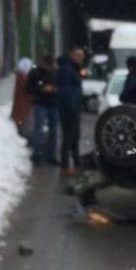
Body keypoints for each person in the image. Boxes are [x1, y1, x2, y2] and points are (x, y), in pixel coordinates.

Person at [57, 46, 85, 176]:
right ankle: (65, 167)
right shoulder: (67, 69)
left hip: (73, 109)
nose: (81, 58)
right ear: (72, 55)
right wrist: (72, 109)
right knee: (68, 139)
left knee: (74, 138)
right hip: (69, 110)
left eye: (82, 56)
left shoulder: (72, 68)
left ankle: (77, 165)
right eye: (78, 55)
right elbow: (66, 91)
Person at [27, 55, 59, 164]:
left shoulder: (55, 72)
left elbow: (61, 85)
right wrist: (41, 89)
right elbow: (29, 88)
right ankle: (37, 155)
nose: (49, 68)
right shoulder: (35, 73)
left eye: (51, 65)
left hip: (53, 104)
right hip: (40, 103)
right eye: (47, 65)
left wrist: (55, 89)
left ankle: (51, 156)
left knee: (53, 131)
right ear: (43, 63)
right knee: (38, 129)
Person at [10, 58, 34, 139]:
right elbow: (28, 91)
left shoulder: (20, 76)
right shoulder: (23, 77)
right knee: (23, 122)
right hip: (24, 105)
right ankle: (23, 137)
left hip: (21, 104)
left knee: (20, 121)